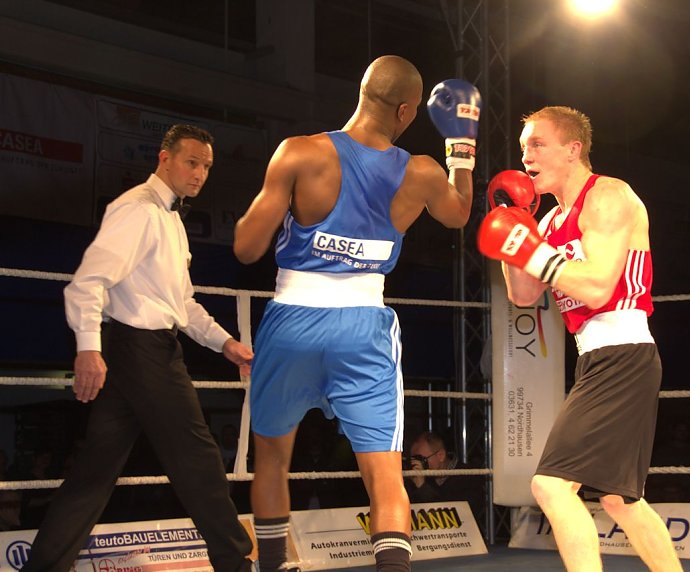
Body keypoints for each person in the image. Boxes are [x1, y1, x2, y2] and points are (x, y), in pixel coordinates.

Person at [233, 55, 479, 572]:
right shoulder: (421, 170)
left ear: (362, 92)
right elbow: (459, 215)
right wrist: (461, 147)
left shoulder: (300, 152)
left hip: (291, 318)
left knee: (272, 460)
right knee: (385, 475)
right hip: (363, 326)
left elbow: (246, 248)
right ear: (408, 111)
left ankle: (274, 565)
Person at [22, 124, 254, 572]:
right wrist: (89, 347)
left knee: (96, 470)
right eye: (192, 162)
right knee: (198, 456)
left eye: (206, 166)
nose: (200, 173)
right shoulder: (138, 211)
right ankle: (236, 564)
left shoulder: (169, 218)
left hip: (140, 349)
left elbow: (181, 304)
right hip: (141, 349)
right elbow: (87, 283)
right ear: (164, 159)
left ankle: (43, 567)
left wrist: (225, 343)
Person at [477, 106, 682, 571]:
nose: (526, 155)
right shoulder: (549, 222)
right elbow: (524, 295)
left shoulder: (609, 196)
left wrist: (529, 248)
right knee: (621, 500)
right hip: (595, 357)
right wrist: (517, 226)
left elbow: (596, 287)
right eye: (523, 145)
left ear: (572, 150)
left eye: (537, 144)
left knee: (550, 486)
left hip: (625, 352)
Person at [404, 431, 483, 513]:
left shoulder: (468, 476)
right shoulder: (418, 479)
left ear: (441, 455)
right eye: (414, 460)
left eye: (421, 460)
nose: (418, 465)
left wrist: (423, 488)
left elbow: (453, 515)